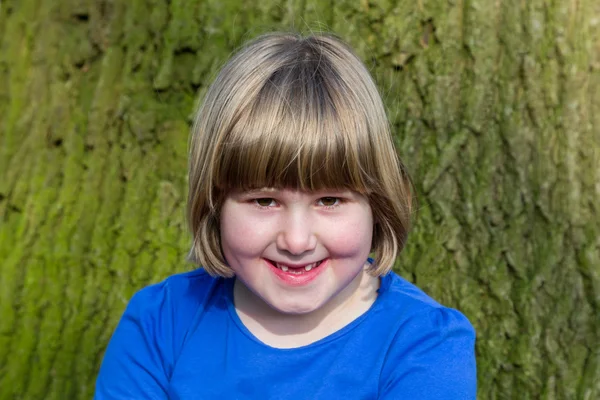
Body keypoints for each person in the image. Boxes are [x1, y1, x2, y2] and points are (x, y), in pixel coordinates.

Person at [94, 32, 476, 399]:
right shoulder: (161, 323)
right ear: (214, 203)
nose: (296, 241)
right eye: (264, 201)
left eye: (329, 200)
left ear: (377, 204)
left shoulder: (424, 344)